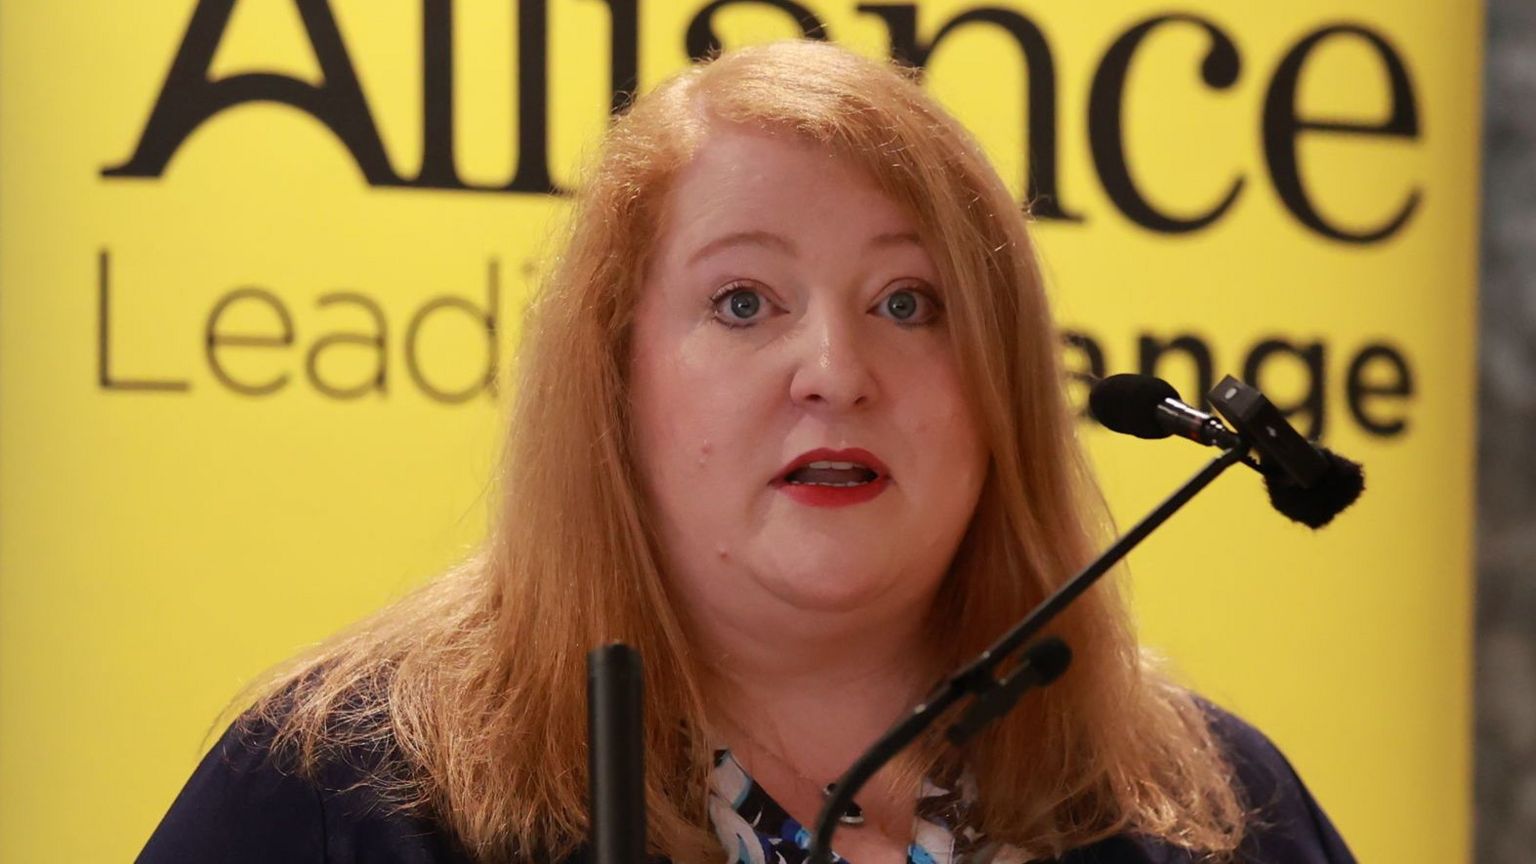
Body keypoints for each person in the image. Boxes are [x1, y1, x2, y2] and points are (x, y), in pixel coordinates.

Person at [137, 40, 1354, 864]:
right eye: (742, 303)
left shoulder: (1211, 813)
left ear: (1002, 392)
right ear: (616, 379)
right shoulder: (336, 801)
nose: (835, 367)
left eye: (910, 303)